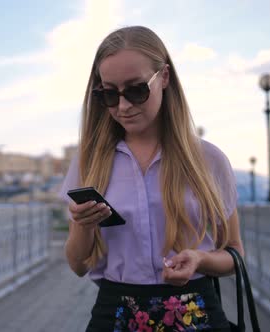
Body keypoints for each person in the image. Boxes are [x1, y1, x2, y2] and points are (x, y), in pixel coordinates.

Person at [58, 26, 243, 332]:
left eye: (136, 89)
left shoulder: (208, 160)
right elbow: (78, 265)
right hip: (114, 313)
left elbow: (235, 254)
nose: (123, 106)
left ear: (165, 78)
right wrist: (83, 224)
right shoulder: (89, 161)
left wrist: (199, 259)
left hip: (195, 313)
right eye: (109, 93)